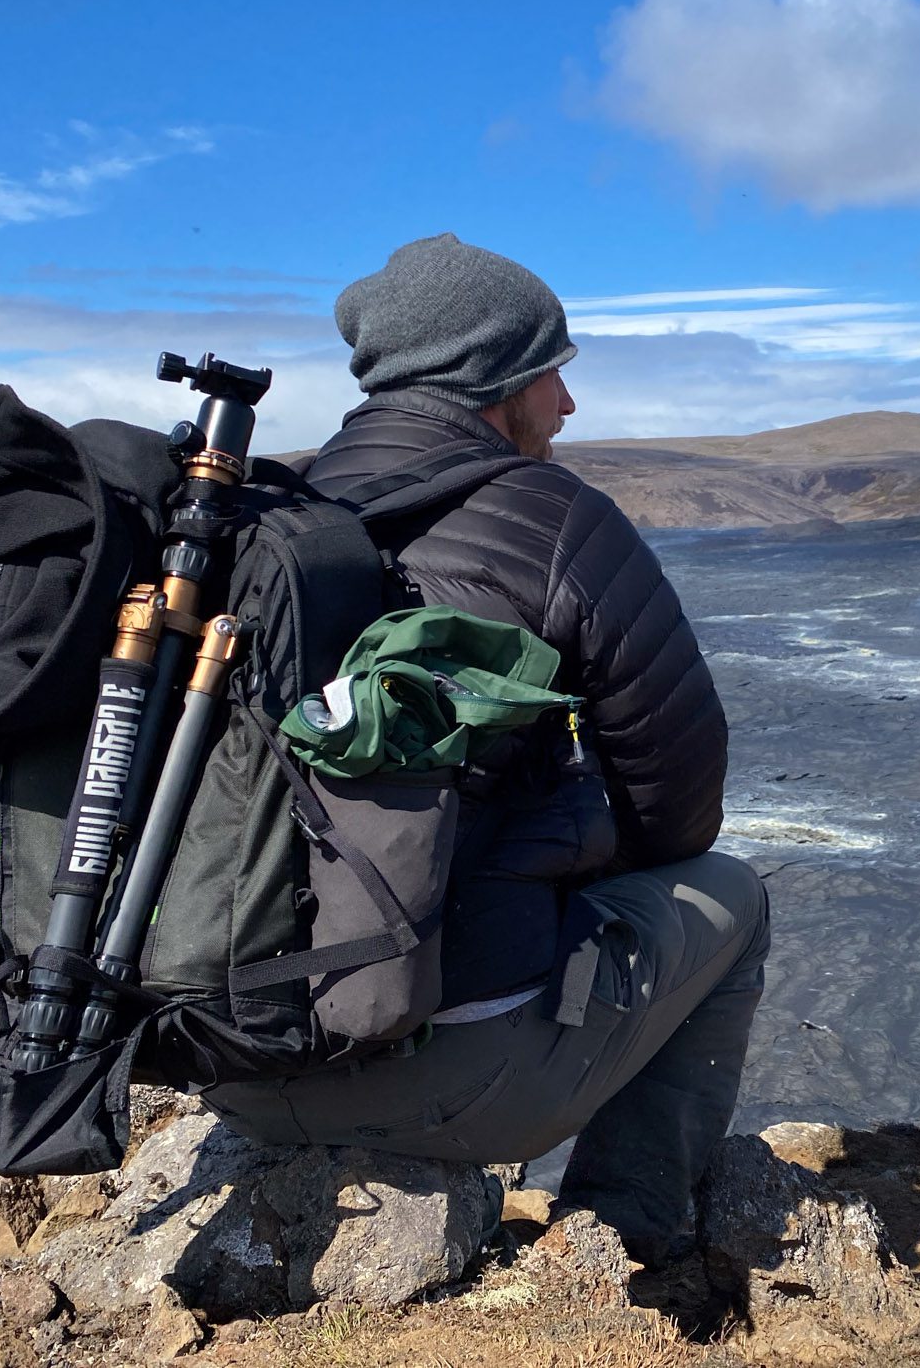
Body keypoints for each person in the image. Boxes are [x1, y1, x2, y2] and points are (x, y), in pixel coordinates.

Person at [206, 234, 768, 1264]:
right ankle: (632, 1238)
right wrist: (566, 866)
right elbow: (680, 803)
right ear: (494, 379)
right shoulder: (554, 520)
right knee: (731, 893)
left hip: (229, 1064)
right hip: (460, 1088)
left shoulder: (253, 525)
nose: (565, 405)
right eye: (553, 372)